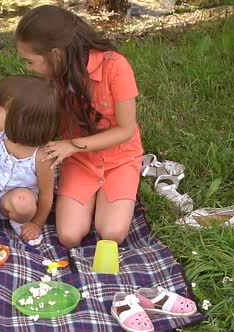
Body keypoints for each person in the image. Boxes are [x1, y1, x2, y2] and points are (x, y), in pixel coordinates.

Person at [15, 5, 144, 247]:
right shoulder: (55, 77)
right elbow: (49, 124)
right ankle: (92, 197)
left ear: (56, 55)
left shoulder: (115, 67)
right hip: (80, 161)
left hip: (119, 158)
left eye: (30, 61)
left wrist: (72, 145)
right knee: (69, 235)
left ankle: (109, 196)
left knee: (112, 233)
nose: (28, 68)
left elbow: (126, 130)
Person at [0, 75, 61, 245]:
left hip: (16, 199)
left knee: (24, 204)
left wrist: (36, 223)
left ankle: (18, 220)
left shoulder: (42, 156)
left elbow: (45, 196)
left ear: (19, 121)